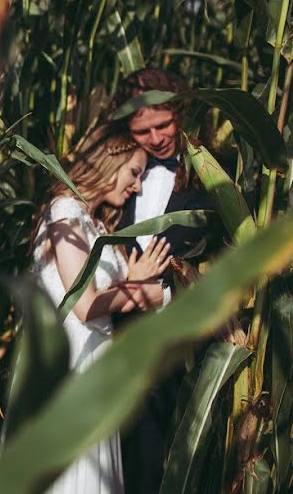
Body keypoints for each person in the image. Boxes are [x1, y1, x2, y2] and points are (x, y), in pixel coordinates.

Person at [31, 127, 172, 494]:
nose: (136, 187)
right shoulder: (64, 213)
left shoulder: (92, 221)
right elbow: (84, 304)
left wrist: (133, 277)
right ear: (110, 162)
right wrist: (155, 294)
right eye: (134, 172)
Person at [112, 67, 217, 493]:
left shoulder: (211, 180)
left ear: (183, 114)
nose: (156, 139)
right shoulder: (117, 180)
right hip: (118, 344)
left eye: (163, 124)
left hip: (181, 355)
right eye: (143, 131)